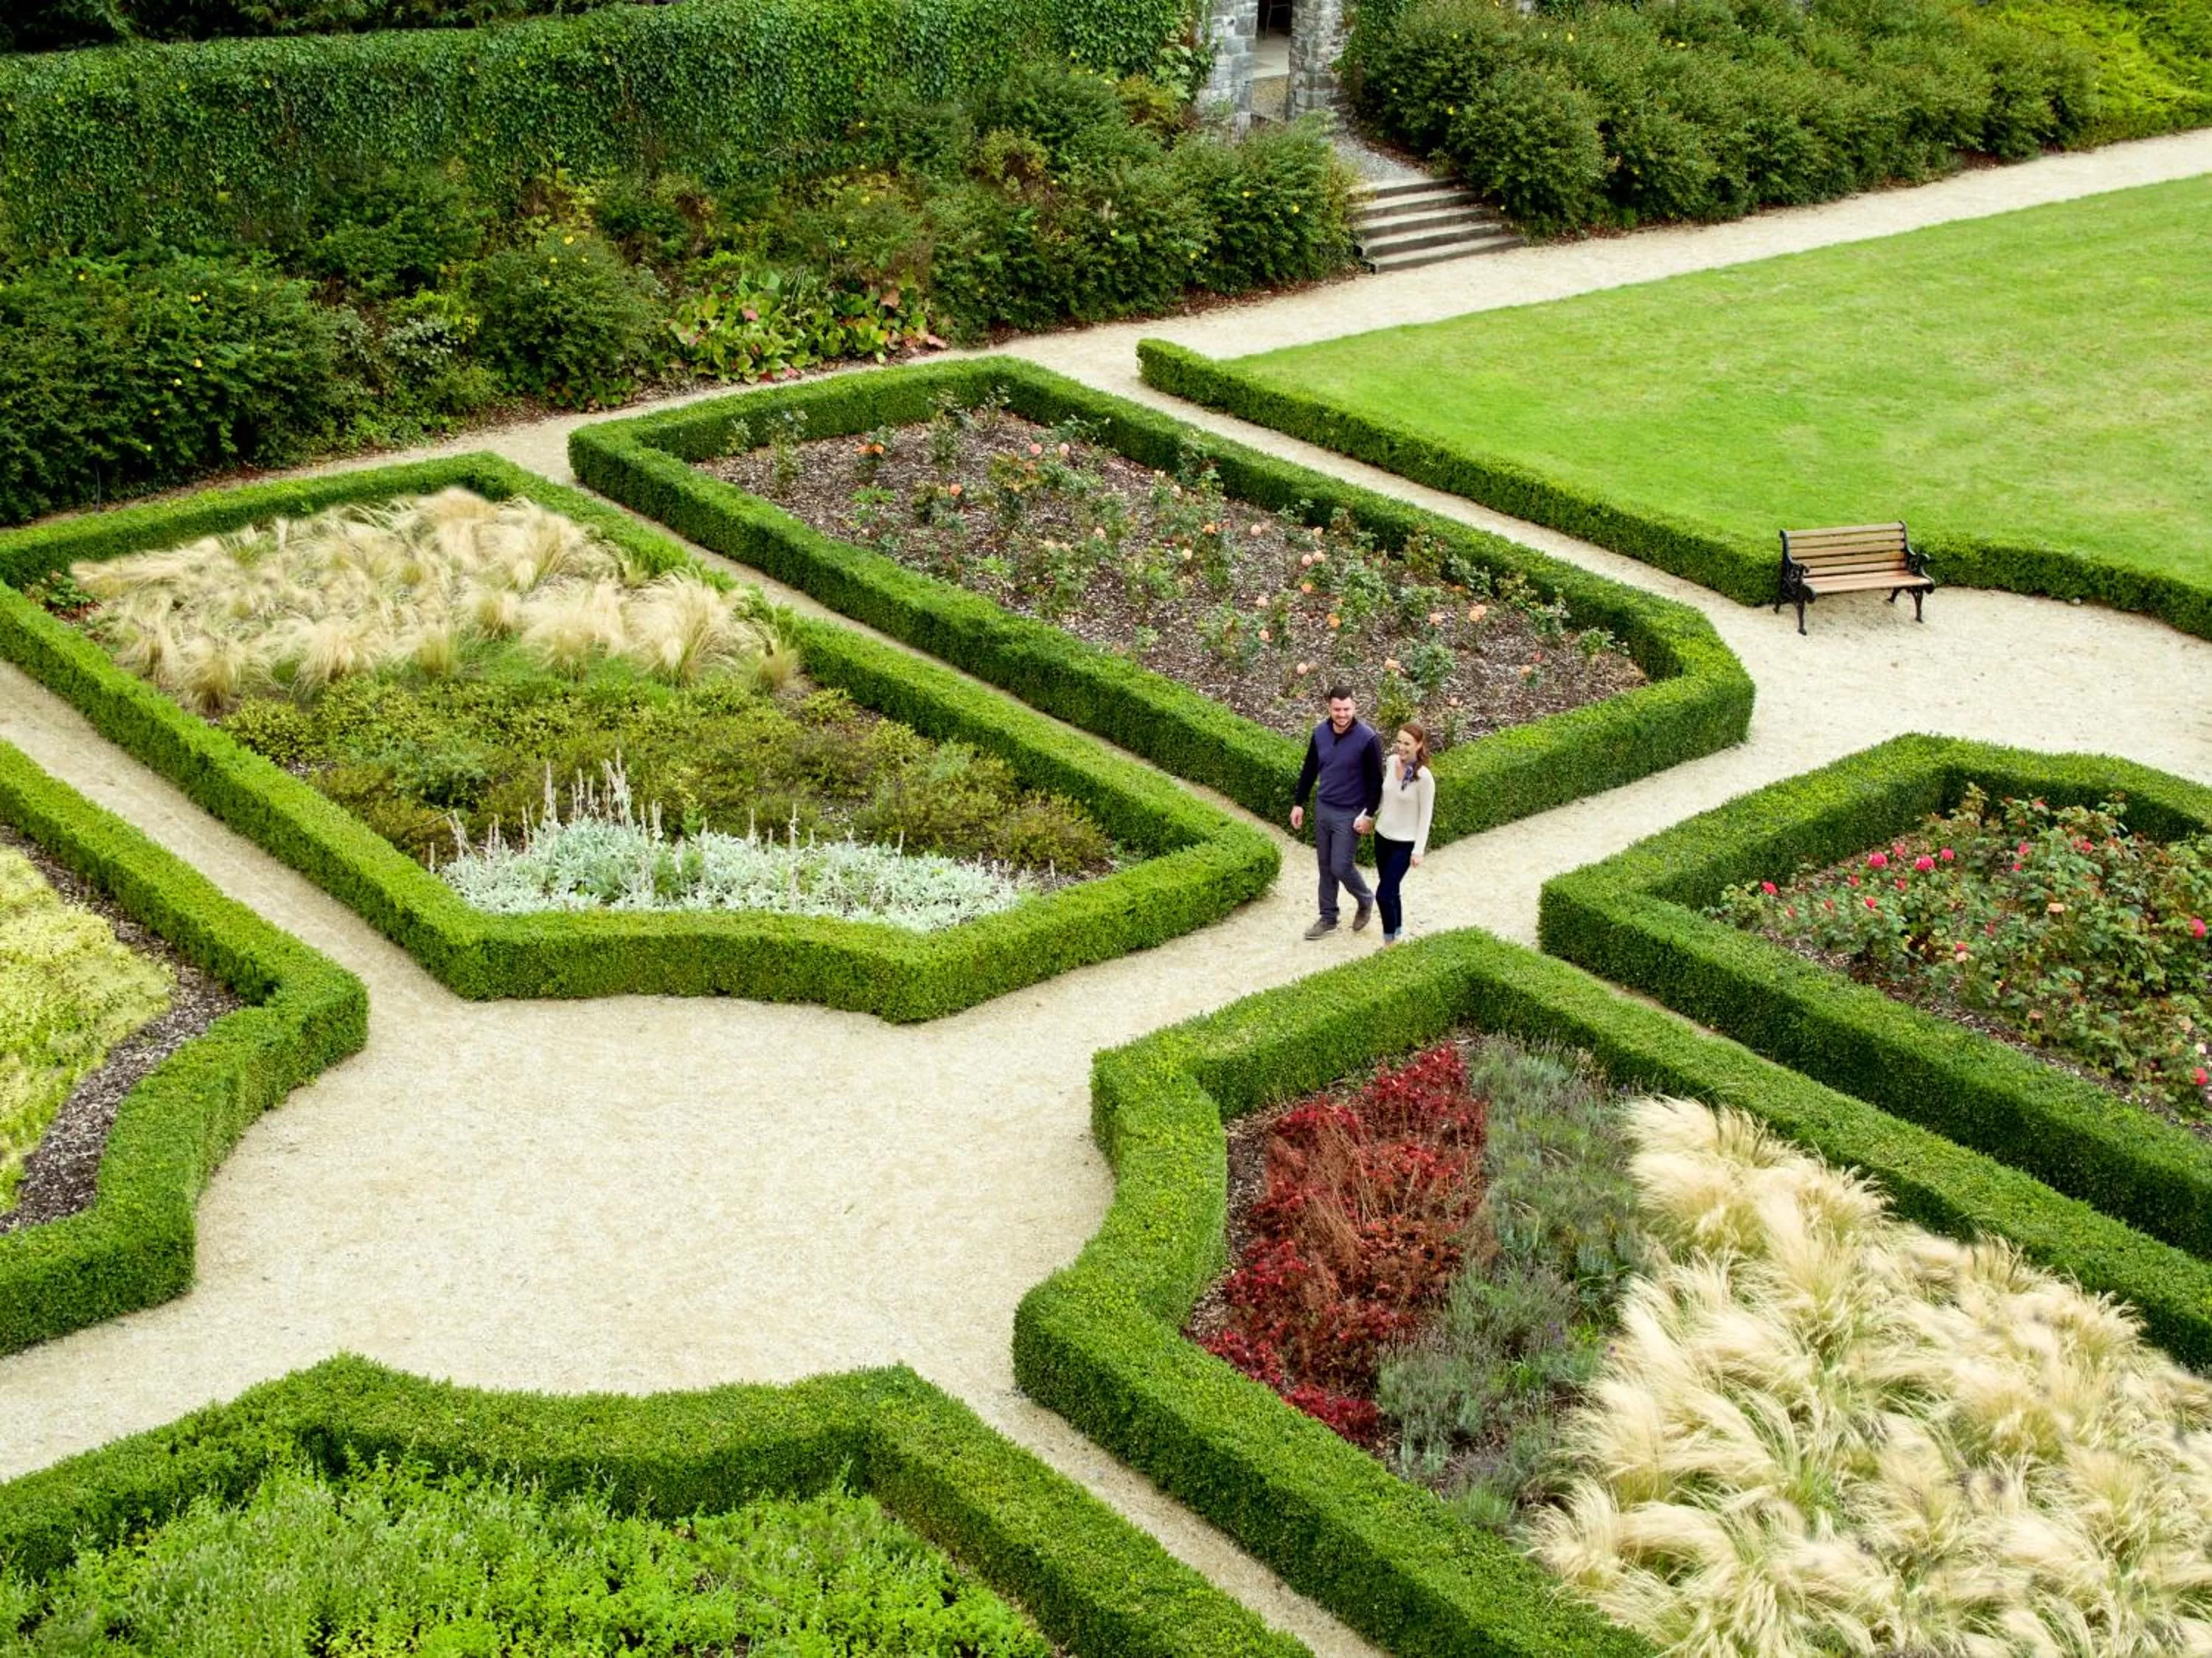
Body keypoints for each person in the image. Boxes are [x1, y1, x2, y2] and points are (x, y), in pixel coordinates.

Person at [1290, 686, 1383, 940]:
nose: (1342, 714)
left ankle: (1365, 898)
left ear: (1355, 707)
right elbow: (1310, 769)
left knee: (1340, 866)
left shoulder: (1368, 739)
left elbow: (1376, 782)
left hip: (1350, 813)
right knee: (1325, 867)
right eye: (1337, 709)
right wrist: (1299, 803)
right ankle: (1328, 917)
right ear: (1329, 708)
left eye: (1347, 709)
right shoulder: (1320, 733)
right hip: (1324, 807)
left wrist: (1369, 815)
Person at [1371, 722, 1435, 945]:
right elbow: (1384, 797)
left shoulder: (1424, 778)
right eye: (1399, 742)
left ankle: (1389, 942)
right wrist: (1367, 816)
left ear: (1419, 745)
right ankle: (1397, 932)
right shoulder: (1391, 762)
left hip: (1404, 843)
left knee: (1383, 894)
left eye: (1407, 743)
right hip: (1382, 836)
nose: (1401, 747)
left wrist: (1419, 850)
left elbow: (1426, 815)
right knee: (1392, 890)